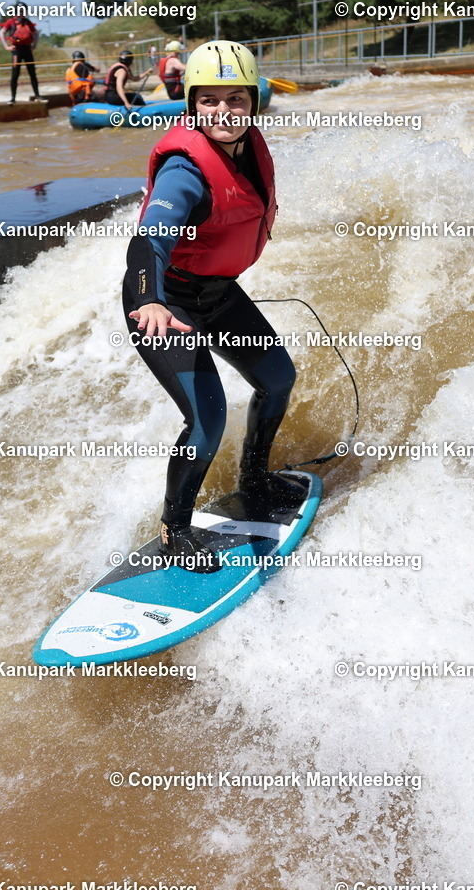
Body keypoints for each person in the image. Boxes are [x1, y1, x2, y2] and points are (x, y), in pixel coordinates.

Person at [122, 40, 304, 574]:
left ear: (254, 102)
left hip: (216, 294)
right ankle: (174, 531)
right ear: (191, 105)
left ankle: (254, 478)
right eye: (209, 101)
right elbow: (148, 240)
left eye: (236, 99)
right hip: (163, 302)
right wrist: (150, 298)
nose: (223, 111)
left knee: (278, 377)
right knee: (207, 419)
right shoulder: (186, 170)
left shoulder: (247, 151)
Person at [0, 3, 43, 103]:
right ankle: (13, 98)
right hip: (16, 50)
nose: (22, 12)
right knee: (15, 74)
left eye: (23, 10)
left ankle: (37, 95)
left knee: (32, 73)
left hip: (27, 49)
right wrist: (6, 46)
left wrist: (34, 45)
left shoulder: (28, 22)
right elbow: (2, 32)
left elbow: (36, 33)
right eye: (20, 10)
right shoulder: (11, 21)